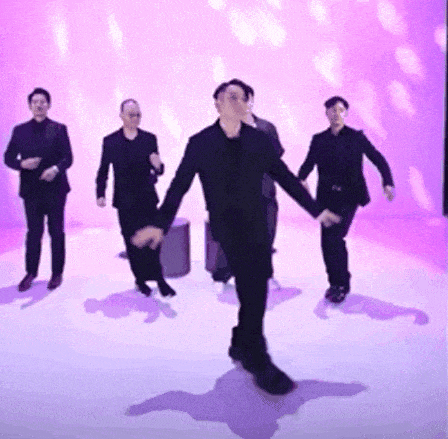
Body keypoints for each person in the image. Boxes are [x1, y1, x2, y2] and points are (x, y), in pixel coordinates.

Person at [131, 80, 340, 395]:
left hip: (258, 223)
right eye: (230, 97)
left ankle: (242, 340)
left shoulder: (259, 140)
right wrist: (160, 225)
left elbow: (285, 177)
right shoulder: (201, 142)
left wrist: (316, 211)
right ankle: (257, 356)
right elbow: (178, 186)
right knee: (252, 285)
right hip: (228, 227)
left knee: (254, 286)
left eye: (242, 98)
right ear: (216, 103)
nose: (237, 102)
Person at [298, 96, 395, 304]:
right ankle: (335, 283)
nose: (336, 114)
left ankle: (341, 284)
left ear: (346, 113)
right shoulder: (319, 140)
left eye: (341, 110)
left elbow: (377, 158)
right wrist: (301, 179)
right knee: (327, 242)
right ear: (326, 113)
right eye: (332, 110)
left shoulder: (356, 137)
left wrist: (387, 181)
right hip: (326, 197)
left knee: (335, 237)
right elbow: (308, 164)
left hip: (349, 197)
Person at [95, 99, 175, 298]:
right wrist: (100, 193)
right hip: (125, 201)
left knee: (153, 240)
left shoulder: (149, 139)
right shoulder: (110, 141)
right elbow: (103, 170)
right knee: (132, 243)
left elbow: (158, 168)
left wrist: (159, 166)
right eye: (131, 114)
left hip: (147, 198)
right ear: (121, 116)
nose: (135, 118)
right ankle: (140, 279)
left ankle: (159, 279)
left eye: (138, 114)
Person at [210, 79, 285, 285]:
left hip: (264, 193)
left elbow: (276, 155)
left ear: (250, 99)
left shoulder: (266, 127)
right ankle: (222, 276)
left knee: (266, 236)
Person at [4, 88, 73, 292]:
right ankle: (31, 273)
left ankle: (57, 273)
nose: (39, 105)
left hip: (55, 189)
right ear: (30, 105)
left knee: (56, 231)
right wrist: (21, 164)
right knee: (34, 232)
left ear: (49, 105)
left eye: (43, 102)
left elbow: (68, 158)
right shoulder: (20, 131)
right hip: (31, 190)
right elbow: (8, 157)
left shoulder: (58, 129)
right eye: (35, 102)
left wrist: (55, 169)